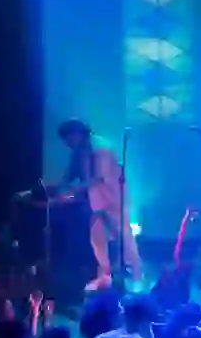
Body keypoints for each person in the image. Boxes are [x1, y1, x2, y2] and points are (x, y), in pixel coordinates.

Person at [57, 119, 141, 291]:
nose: (67, 144)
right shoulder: (78, 152)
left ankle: (136, 274)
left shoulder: (100, 147)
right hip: (97, 202)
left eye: (68, 139)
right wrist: (59, 188)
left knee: (123, 236)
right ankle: (105, 275)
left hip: (113, 198)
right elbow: (70, 174)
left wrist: (74, 190)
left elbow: (99, 177)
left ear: (77, 134)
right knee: (97, 239)